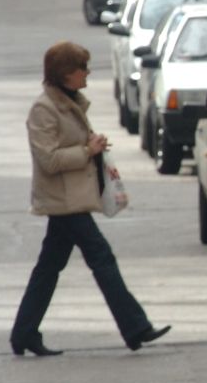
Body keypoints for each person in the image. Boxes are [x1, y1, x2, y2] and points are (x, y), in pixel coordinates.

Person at [10, 41, 170, 356]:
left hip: (72, 200)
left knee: (49, 267)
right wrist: (87, 150)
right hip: (65, 202)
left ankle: (24, 333)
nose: (88, 73)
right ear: (66, 74)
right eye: (82, 68)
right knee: (101, 258)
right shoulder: (45, 109)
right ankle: (135, 327)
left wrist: (92, 144)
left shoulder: (70, 103)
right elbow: (49, 160)